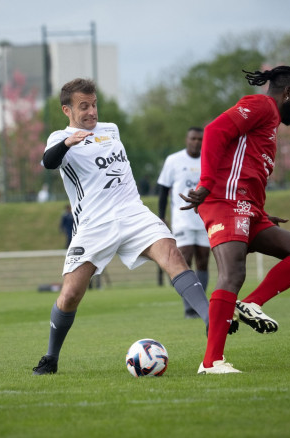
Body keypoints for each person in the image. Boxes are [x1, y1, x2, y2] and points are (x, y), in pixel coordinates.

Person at [33, 78, 210, 375]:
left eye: (94, 104)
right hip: (94, 223)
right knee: (71, 294)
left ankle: (210, 320)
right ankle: (51, 357)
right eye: (83, 106)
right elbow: (49, 162)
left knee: (172, 254)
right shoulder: (59, 138)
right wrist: (67, 143)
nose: (92, 112)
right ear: (67, 109)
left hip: (132, 212)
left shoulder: (111, 130)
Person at [181, 66, 290, 374]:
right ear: (288, 93)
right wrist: (205, 183)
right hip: (226, 202)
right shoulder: (261, 106)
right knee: (232, 274)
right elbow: (215, 130)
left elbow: (247, 166)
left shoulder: (269, 122)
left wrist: (261, 211)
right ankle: (211, 362)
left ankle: (252, 303)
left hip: (249, 208)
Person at [157, 127, 211, 318]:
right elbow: (163, 190)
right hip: (182, 219)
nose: (196, 142)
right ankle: (190, 306)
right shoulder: (174, 160)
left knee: (203, 260)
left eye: (199, 139)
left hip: (205, 218)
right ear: (186, 139)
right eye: (193, 138)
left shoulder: (209, 159)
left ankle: (199, 304)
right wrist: (162, 216)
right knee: (184, 259)